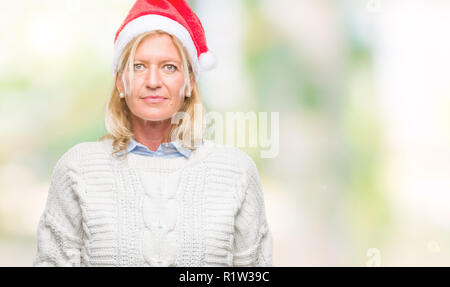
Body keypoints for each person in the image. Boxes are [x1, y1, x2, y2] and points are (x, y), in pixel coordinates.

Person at [33, 0, 272, 267]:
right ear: (120, 82)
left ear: (190, 82)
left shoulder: (236, 171)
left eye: (169, 67)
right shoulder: (77, 168)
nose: (153, 81)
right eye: (139, 66)